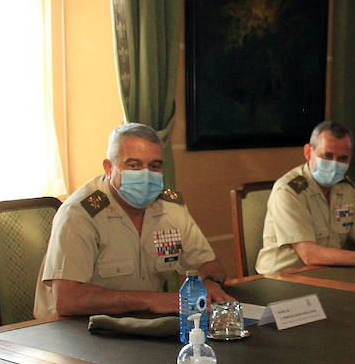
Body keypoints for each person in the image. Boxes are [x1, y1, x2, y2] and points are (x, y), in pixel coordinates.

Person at [33, 122, 234, 319]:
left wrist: (209, 283)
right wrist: (152, 300)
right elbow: (68, 299)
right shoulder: (80, 214)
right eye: (134, 165)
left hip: (139, 324)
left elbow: (209, 264)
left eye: (154, 166)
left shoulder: (170, 207)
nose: (146, 174)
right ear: (109, 168)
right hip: (69, 330)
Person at [253, 121, 355, 274]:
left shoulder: (346, 188)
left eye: (343, 158)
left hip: (326, 276)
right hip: (282, 279)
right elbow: (309, 254)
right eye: (328, 156)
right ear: (308, 152)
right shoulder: (289, 190)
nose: (334, 164)